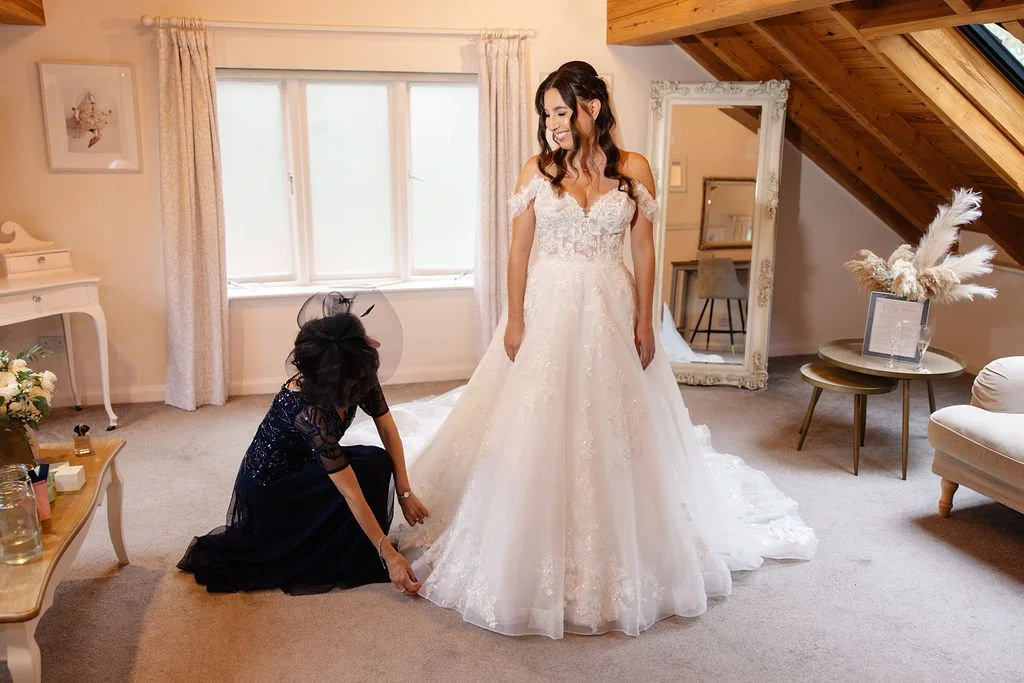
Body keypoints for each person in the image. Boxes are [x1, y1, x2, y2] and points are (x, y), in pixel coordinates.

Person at [345, 61, 817, 639]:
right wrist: (515, 319)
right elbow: (518, 252)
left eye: (561, 112)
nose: (552, 124)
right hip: (548, 308)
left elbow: (643, 250)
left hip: (611, 308)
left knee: (617, 424)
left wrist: (646, 320)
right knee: (537, 420)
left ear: (592, 107)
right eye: (547, 114)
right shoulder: (538, 170)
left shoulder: (633, 168)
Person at [178, 291, 429, 596]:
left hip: (307, 464)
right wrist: (389, 555)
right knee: (357, 480)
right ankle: (365, 553)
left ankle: (362, 546)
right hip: (274, 487)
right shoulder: (308, 410)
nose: (360, 382)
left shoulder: (356, 368)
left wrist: (404, 491)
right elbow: (349, 492)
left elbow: (386, 427)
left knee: (376, 462)